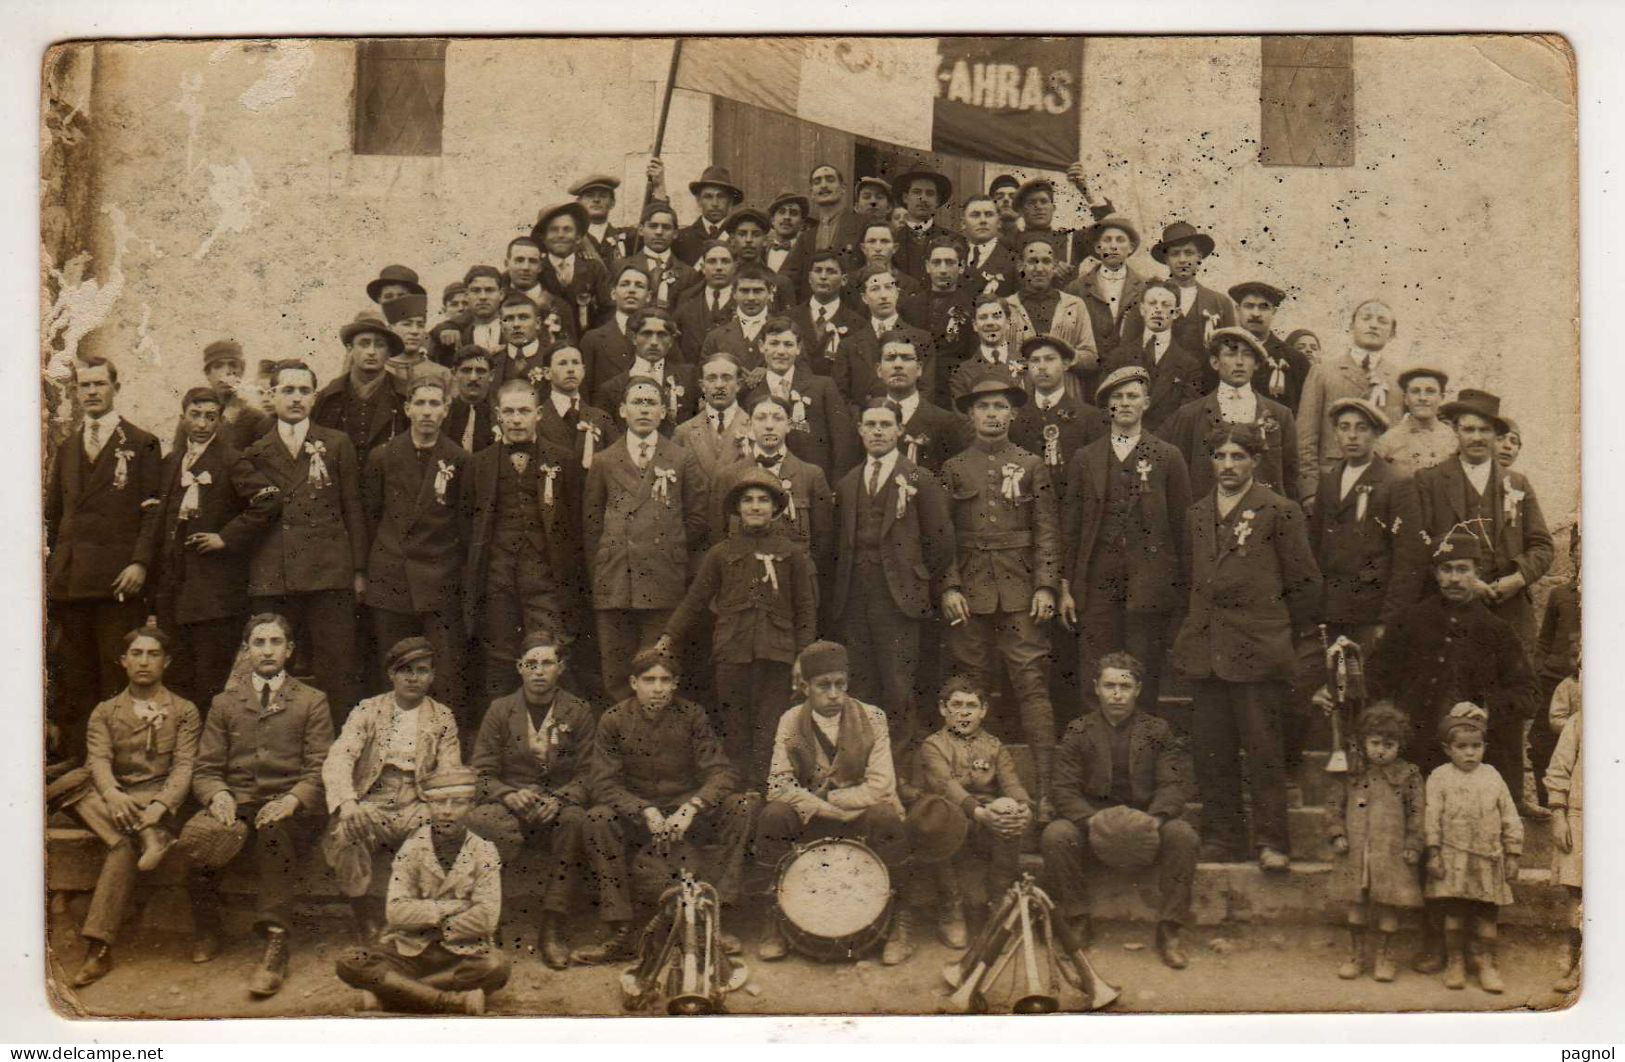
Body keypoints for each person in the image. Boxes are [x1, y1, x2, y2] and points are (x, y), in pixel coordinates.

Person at [1171, 423, 1321, 871]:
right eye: (1221, 457)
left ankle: (1272, 841)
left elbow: (1304, 584)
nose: (1229, 466)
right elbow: (1189, 578)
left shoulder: (1280, 511)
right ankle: (1222, 836)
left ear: (1255, 460)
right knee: (1211, 749)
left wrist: (1279, 639)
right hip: (1207, 650)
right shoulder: (1196, 514)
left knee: (1263, 751)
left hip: (1258, 650)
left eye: (1239, 456)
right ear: (1210, 462)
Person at [179, 614, 333, 997]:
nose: (267, 651)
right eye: (259, 643)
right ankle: (208, 928)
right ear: (246, 650)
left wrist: (293, 799)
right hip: (242, 802)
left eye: (275, 642)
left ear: (290, 650)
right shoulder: (225, 703)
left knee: (273, 833)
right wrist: (219, 795)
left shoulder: (312, 701)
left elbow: (319, 767)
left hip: (293, 809)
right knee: (204, 837)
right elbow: (206, 768)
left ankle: (276, 944)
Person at [575, 648, 759, 964]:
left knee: (740, 806)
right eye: (649, 680)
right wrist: (643, 810)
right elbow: (602, 783)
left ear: (675, 684)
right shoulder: (614, 720)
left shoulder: (693, 716)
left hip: (685, 814)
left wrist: (693, 806)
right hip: (638, 818)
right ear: (634, 682)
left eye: (665, 680)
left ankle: (712, 920)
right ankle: (621, 929)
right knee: (597, 818)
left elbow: (722, 771)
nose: (658, 688)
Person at [939, 366, 1063, 814]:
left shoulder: (1031, 465)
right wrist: (950, 585)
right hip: (970, 590)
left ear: (1012, 414)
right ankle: (971, 790)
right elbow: (943, 536)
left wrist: (1046, 585)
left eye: (1001, 407)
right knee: (970, 688)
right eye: (984, 407)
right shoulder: (953, 468)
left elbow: (1047, 530)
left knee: (1032, 684)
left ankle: (1047, 791)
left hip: (1020, 589)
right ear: (970, 415)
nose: (993, 414)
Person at [753, 641, 917, 965]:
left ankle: (900, 920)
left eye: (840, 685)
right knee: (773, 815)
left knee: (886, 815)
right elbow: (777, 785)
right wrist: (826, 808)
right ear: (804, 687)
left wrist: (834, 799)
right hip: (814, 814)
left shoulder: (872, 718)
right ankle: (773, 917)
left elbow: (882, 785)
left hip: (859, 811)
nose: (833, 695)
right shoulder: (790, 721)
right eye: (823, 686)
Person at [54, 627, 199, 987]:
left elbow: (184, 768)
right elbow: (99, 761)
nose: (144, 661)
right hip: (113, 798)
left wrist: (160, 807)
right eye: (136, 653)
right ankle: (149, 838)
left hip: (155, 801)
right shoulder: (105, 712)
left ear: (166, 662)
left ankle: (98, 951)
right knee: (76, 783)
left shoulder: (183, 711)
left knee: (120, 845)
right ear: (123, 661)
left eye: (152, 654)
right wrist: (114, 794)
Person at [1361, 528, 1540, 818]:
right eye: (1446, 569)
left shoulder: (1497, 630)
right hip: (1414, 755)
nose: (1454, 578)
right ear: (1435, 573)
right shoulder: (1410, 621)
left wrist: (1484, 708)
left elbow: (1528, 694)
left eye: (1462, 569)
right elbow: (1376, 678)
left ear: (1476, 573)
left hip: (1470, 762)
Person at [1040, 652, 1198, 969]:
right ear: (1096, 687)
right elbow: (1063, 788)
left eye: (1124, 687)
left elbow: (1174, 784)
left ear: (1138, 689)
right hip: (1092, 820)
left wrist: (1154, 820)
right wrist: (1093, 819)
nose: (1116, 694)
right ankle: (1077, 919)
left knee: (1183, 835)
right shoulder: (1078, 730)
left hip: (1146, 818)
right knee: (1056, 834)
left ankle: (1169, 929)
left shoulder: (1158, 730)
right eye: (1109, 685)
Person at [658, 469, 817, 777]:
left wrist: (803, 657)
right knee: (735, 729)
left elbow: (806, 609)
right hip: (732, 652)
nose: (755, 507)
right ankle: (737, 797)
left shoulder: (792, 554)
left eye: (762, 500)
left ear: (775, 508)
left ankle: (763, 792)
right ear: (737, 508)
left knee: (770, 729)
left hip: (777, 655)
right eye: (748, 500)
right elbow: (695, 601)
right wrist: (668, 637)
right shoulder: (721, 553)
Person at [46, 357, 165, 759]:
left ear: (116, 386)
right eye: (84, 386)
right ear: (77, 393)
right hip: (73, 582)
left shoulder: (142, 442)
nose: (91, 392)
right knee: (75, 676)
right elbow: (54, 515)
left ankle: (121, 763)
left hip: (119, 581)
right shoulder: (67, 448)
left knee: (117, 671)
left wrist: (140, 563)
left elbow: (153, 513)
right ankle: (80, 766)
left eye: (99, 384)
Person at [1059, 366, 1191, 717]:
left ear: (1146, 402)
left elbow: (1182, 530)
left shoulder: (1168, 457)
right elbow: (1070, 530)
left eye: (1132, 395)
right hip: (1097, 582)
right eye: (1116, 397)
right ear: (1107, 407)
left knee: (1142, 667)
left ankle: (1140, 751)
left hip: (1149, 585)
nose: (1125, 402)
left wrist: (1177, 589)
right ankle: (1099, 754)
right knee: (1096, 668)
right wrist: (1066, 586)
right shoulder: (1086, 458)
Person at [242, 359, 368, 723]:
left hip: (329, 573)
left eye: (303, 391)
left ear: (314, 397)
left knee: (336, 666)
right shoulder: (257, 451)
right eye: (287, 390)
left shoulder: (336, 443)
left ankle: (341, 746)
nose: (296, 398)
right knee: (276, 666)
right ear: (272, 395)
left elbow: (353, 508)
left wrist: (358, 569)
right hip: (276, 572)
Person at [466, 631, 597, 970]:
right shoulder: (500, 710)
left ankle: (552, 925)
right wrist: (508, 794)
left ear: (561, 667)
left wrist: (560, 798)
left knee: (576, 821)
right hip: (513, 804)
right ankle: (489, 919)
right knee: (481, 821)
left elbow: (589, 773)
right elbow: (481, 773)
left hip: (556, 805)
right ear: (519, 668)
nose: (539, 671)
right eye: (531, 664)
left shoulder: (578, 711)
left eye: (547, 663)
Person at [830, 397, 955, 746]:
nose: (878, 431)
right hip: (854, 597)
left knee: (898, 684)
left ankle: (899, 771)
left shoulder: (920, 479)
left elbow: (941, 542)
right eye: (870, 424)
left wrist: (915, 578)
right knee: (861, 683)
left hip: (899, 599)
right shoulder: (848, 482)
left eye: (886, 424)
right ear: (859, 430)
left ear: (900, 430)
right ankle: (865, 766)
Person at [334, 765, 508, 1015]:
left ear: (471, 806)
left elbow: (486, 919)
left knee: (496, 966)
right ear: (427, 806)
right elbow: (395, 913)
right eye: (438, 802)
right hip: (409, 949)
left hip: (461, 950)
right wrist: (450, 908)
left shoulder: (485, 851)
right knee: (350, 962)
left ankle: (392, 995)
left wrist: (432, 924)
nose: (447, 811)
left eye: (457, 803)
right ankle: (448, 1001)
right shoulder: (412, 848)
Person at [321, 637, 462, 943]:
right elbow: (340, 756)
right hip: (373, 798)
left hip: (418, 799)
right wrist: (347, 802)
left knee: (439, 834)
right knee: (346, 831)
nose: (413, 678)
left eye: (422, 670)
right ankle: (362, 913)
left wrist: (435, 808)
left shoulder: (442, 717)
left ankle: (415, 918)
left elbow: (448, 772)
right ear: (391, 675)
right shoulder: (368, 710)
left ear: (432, 675)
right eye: (405, 670)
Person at [151, 387, 281, 711]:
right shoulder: (173, 462)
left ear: (220, 421)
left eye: (210, 417)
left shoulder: (230, 459)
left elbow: (269, 500)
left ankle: (208, 755)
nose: (201, 424)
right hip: (176, 591)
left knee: (210, 679)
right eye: (195, 415)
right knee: (176, 674)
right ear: (183, 418)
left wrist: (226, 537)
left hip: (215, 594)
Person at [1394, 388, 1552, 649]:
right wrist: (1466, 582)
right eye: (1468, 429)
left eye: (1484, 430)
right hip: (1448, 611)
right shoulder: (1429, 481)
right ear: (1455, 431)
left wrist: (1516, 579)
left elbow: (1543, 546)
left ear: (1496, 435)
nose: (1476, 438)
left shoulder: (1517, 483)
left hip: (1508, 611)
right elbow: (1417, 547)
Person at [583, 377, 709, 702]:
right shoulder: (604, 461)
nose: (644, 409)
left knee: (658, 668)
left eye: (651, 402)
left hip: (663, 579)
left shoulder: (681, 459)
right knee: (617, 671)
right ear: (623, 410)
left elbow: (696, 518)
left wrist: (666, 546)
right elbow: (592, 525)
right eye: (637, 402)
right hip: (615, 581)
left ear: (663, 411)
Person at [463, 380, 582, 705]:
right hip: (497, 579)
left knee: (552, 654)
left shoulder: (564, 460)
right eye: (510, 412)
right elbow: (468, 525)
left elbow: (576, 525)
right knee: (500, 659)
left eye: (524, 411)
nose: (516, 419)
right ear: (498, 415)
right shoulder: (479, 464)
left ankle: (561, 738)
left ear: (538, 414)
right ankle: (502, 739)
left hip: (545, 579)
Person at [363, 379, 471, 717]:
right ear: (407, 409)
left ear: (445, 410)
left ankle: (443, 744)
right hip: (392, 576)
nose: (427, 411)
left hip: (440, 578)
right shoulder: (383, 456)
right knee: (393, 664)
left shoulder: (459, 459)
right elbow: (372, 515)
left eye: (435, 404)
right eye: (420, 403)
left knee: (444, 669)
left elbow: (464, 524)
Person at [918, 675, 1032, 944]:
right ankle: (951, 908)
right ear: (943, 709)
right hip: (952, 822)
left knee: (1009, 810)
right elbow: (946, 785)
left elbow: (1011, 783)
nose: (964, 712)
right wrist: (980, 813)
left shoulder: (993, 746)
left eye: (971, 705)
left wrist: (1024, 807)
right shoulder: (933, 745)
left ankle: (1000, 906)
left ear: (983, 710)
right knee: (938, 816)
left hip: (987, 823)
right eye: (956, 705)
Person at [1423, 703, 1522, 994]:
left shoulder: (1492, 775)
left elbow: (1509, 815)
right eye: (1462, 747)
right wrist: (1433, 851)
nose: (1469, 753)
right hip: (1453, 858)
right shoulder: (1439, 777)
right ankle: (1455, 961)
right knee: (1453, 916)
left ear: (1484, 746)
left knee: (1486, 919)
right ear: (1447, 749)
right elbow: (1431, 815)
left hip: (1487, 861)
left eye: (1476, 746)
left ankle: (1486, 963)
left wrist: (1513, 852)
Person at [1325, 703, 1425, 983]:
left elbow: (1418, 811)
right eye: (1375, 743)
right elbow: (1334, 804)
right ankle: (1356, 955)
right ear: (1364, 742)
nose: (1381, 750)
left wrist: (1414, 842)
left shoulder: (1409, 776)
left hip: (1391, 850)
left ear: (1400, 746)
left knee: (1388, 902)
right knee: (1355, 903)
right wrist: (1337, 833)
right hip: (1356, 849)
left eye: (1389, 744)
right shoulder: (1352, 772)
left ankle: (1385, 955)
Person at [1159, 326, 1301, 503]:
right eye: (1231, 354)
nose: (1239, 362)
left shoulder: (1280, 416)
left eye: (1247, 354)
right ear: (1215, 362)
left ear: (1256, 364)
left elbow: (1291, 478)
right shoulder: (1190, 416)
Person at [1308, 397, 1408, 646]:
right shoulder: (1330, 479)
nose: (1352, 436)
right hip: (1330, 607)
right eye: (1344, 427)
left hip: (1370, 610)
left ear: (1376, 434)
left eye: (1361, 428)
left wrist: (1388, 619)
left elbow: (1407, 559)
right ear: (1336, 433)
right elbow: (1316, 544)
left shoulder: (1395, 483)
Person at [709, 394, 834, 572]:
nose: (769, 426)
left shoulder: (811, 475)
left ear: (789, 425)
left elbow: (823, 541)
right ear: (749, 426)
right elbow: (718, 537)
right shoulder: (727, 477)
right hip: (742, 582)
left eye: (777, 418)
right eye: (761, 418)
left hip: (794, 583)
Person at [1295, 300, 1402, 505]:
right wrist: (1310, 490)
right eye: (1366, 318)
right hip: (1332, 479)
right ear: (1351, 326)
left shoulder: (1398, 378)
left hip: (1382, 485)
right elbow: (1305, 434)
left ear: (1392, 333)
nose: (1373, 325)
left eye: (1382, 321)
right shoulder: (1323, 371)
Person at [741, 316, 858, 479]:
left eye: (788, 344)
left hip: (811, 484)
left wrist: (834, 487)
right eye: (774, 343)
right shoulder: (750, 394)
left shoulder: (822, 387)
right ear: (762, 346)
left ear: (798, 348)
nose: (781, 351)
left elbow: (842, 443)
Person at [1002, 233, 1099, 398]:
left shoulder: (1074, 305)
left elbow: (1091, 359)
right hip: (1021, 398)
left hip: (1067, 396)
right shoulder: (1006, 307)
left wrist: (1067, 355)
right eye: (1032, 261)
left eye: (1046, 262)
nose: (1039, 268)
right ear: (1020, 266)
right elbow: (996, 358)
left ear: (1054, 266)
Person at [1102, 279, 1204, 434]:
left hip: (1168, 445)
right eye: (1152, 303)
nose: (1158, 310)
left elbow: (1187, 415)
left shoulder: (1190, 365)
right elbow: (1105, 406)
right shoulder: (1117, 358)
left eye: (1166, 305)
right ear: (1142, 309)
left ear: (1176, 313)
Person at [311, 312, 406, 467]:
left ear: (389, 353)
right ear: (350, 349)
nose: (371, 351)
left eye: (380, 345)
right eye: (364, 343)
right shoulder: (328, 397)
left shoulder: (404, 396)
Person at [833, 263, 936, 404]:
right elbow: (841, 396)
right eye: (875, 289)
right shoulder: (848, 345)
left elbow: (926, 390)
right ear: (864, 298)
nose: (883, 295)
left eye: (888, 287)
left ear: (897, 293)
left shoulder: (921, 339)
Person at [1530, 526, 1580, 808]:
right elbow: (1545, 639)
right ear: (1572, 554)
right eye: (1579, 551)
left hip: (1588, 685)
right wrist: (1541, 670)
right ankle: (1546, 804)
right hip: (1553, 678)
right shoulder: (1560, 595)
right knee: (1541, 743)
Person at [593, 308, 700, 432]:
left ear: (670, 341)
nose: (654, 342)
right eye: (646, 334)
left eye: (662, 335)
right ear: (633, 338)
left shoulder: (689, 377)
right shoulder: (612, 388)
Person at [869, 331, 962, 473]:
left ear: (919, 369)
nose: (898, 365)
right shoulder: (867, 419)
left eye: (906, 358)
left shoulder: (944, 421)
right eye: (890, 358)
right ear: (879, 370)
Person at [1009, 334, 1107, 467]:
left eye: (1050, 359)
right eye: (1035, 360)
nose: (1042, 366)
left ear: (1066, 364)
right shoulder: (1015, 418)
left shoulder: (1090, 417)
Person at [1142, 221, 1235, 356]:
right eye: (1175, 254)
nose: (1182, 260)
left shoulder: (1220, 302)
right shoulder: (1149, 298)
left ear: (1199, 257)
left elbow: (1230, 352)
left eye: (1189, 252)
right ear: (1166, 259)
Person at [899, 236, 977, 393]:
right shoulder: (908, 306)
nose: (943, 270)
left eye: (949, 263)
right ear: (928, 266)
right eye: (936, 262)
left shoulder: (972, 307)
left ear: (961, 267)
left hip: (952, 389)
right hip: (914, 387)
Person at [1064, 215, 1145, 360]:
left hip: (1129, 368)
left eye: (1120, 240)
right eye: (1107, 240)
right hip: (1090, 370)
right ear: (1097, 247)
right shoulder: (1076, 288)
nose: (1113, 246)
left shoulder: (1144, 287)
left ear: (1130, 248)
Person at [535, 343, 617, 482]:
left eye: (575, 363)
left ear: (583, 371)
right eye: (562, 363)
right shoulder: (537, 419)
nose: (571, 370)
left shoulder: (601, 418)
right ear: (547, 373)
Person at [533, 201, 612, 344]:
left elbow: (608, 310)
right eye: (553, 229)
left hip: (588, 344)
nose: (560, 235)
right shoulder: (535, 271)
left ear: (578, 237)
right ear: (543, 238)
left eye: (567, 229)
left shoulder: (594, 269)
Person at [1544, 709, 1582, 994]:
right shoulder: (1580, 721)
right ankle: (1576, 964)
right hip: (1582, 818)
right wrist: (1559, 815)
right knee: (1578, 897)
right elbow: (1559, 770)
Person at [672, 351, 753, 485]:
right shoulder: (683, 433)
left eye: (726, 378)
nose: (719, 385)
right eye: (711, 378)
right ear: (702, 386)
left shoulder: (754, 428)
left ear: (738, 384)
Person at [1228, 281, 1309, 410]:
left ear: (1274, 311)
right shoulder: (1223, 354)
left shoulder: (1295, 360)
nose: (1256, 313)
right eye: (1249, 306)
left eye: (1264, 307)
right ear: (1237, 310)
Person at [578, 262, 648, 401]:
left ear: (649, 296)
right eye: (625, 284)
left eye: (639, 286)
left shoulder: (660, 338)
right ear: (613, 293)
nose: (631, 290)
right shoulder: (593, 340)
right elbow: (584, 391)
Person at [1372, 364, 1457, 477]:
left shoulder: (1453, 439)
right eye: (1415, 391)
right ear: (1406, 398)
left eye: (1430, 391)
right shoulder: (1387, 441)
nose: (1422, 398)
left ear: (1441, 398)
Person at [790, 249, 864, 378]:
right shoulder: (789, 318)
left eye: (831, 271)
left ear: (844, 280)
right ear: (809, 278)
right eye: (818, 270)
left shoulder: (858, 324)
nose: (823, 277)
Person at [193, 339, 271, 450]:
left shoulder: (256, 419)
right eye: (218, 366)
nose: (227, 372)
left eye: (233, 365)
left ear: (242, 371)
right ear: (207, 374)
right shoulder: (194, 415)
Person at [619, 200, 696, 310]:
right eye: (653, 226)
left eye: (666, 227)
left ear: (675, 233)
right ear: (641, 230)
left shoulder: (688, 274)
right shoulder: (620, 267)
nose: (659, 232)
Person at [699, 263, 778, 370]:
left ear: (770, 292)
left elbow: (802, 373)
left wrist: (771, 373)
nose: (751, 297)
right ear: (734, 293)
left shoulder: (785, 331)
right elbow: (704, 374)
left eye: (758, 291)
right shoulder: (715, 337)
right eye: (744, 291)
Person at [668, 163, 746, 266]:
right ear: (698, 200)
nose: (715, 203)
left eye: (721, 196)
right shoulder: (681, 239)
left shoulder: (740, 238)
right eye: (708, 197)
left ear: (730, 201)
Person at [673, 241, 738, 361]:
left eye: (725, 261)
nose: (719, 267)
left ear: (735, 267)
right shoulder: (686, 300)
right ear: (703, 268)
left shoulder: (744, 301)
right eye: (712, 261)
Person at [891, 168, 959, 281]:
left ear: (937, 200)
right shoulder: (891, 240)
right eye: (917, 192)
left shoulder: (954, 239)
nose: (923, 199)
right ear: (905, 198)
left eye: (930, 193)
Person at [382, 293, 454, 400]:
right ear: (390, 328)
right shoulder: (379, 370)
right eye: (407, 324)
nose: (415, 331)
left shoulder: (442, 373)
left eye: (420, 325)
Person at [720, 207, 794, 308]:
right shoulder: (722, 280)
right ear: (732, 239)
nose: (749, 240)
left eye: (756, 234)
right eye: (742, 234)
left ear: (765, 240)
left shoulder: (781, 283)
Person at [959, 193, 1018, 297]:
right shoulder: (955, 256)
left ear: (999, 222)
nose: (983, 220)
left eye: (989, 214)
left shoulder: (1013, 261)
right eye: (975, 215)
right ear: (963, 223)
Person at [443, 345, 500, 454]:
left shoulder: (500, 414)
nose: (473, 378)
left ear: (492, 375)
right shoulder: (444, 414)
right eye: (466, 370)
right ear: (454, 374)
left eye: (481, 371)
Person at [490, 293, 550, 394]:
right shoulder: (493, 361)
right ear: (501, 325)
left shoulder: (552, 358)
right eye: (509, 319)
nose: (516, 325)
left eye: (523, 317)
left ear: (538, 323)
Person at [570, 172, 634, 265]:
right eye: (590, 195)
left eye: (603, 196)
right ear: (578, 203)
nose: (596, 200)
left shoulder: (626, 238)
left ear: (613, 203)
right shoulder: (571, 238)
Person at [458, 266, 507, 355]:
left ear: (501, 294)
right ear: (466, 295)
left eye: (489, 290)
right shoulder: (460, 337)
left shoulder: (514, 331)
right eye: (476, 290)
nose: (483, 297)